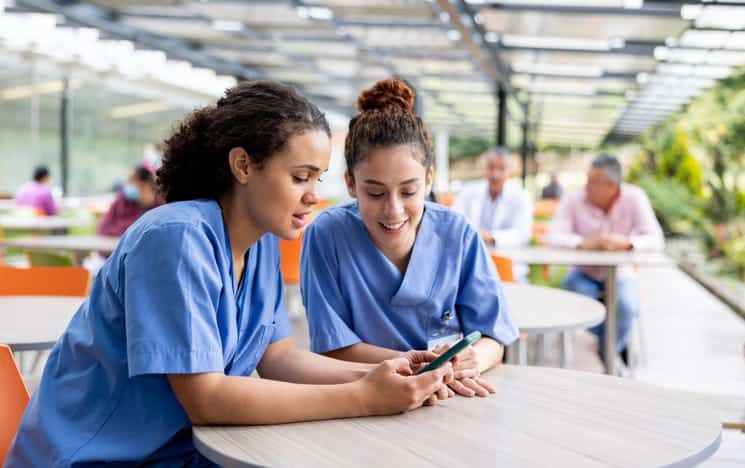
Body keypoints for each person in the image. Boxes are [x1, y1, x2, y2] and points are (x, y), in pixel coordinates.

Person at [6, 81, 454, 466]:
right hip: (96, 458)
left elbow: (279, 359)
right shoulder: (175, 239)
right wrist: (362, 398)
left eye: (319, 179)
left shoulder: (260, 245)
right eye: (301, 177)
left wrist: (386, 370)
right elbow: (207, 398)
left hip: (179, 454)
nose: (314, 196)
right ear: (243, 166)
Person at [301, 78, 518, 399]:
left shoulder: (457, 233)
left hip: (451, 394)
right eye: (374, 192)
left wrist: (474, 359)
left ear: (429, 180)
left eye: (409, 191)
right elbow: (331, 348)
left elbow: (493, 337)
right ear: (350, 184)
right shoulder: (327, 235)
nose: (393, 210)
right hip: (363, 394)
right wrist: (414, 364)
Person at [546, 154, 664, 364]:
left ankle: (606, 352)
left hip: (621, 273)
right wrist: (583, 243)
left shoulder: (634, 197)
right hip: (582, 273)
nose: (587, 186)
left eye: (592, 181)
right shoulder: (573, 199)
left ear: (612, 185)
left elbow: (656, 239)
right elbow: (552, 237)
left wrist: (627, 243)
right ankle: (611, 348)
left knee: (627, 307)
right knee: (583, 305)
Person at [451, 147, 533, 280]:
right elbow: (455, 222)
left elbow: (523, 233)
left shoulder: (521, 196)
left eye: (501, 169)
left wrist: (492, 237)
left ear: (510, 171)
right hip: (470, 262)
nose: (495, 174)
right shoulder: (468, 191)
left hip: (508, 265)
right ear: (485, 168)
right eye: (491, 167)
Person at [97, 164, 161, 237]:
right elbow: (103, 227)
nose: (128, 184)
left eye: (131, 181)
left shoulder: (160, 206)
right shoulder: (122, 200)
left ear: (144, 184)